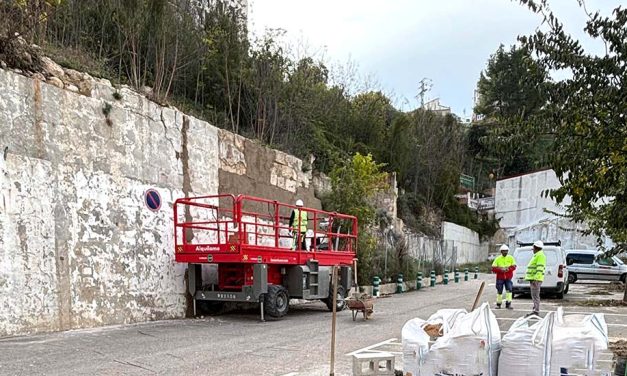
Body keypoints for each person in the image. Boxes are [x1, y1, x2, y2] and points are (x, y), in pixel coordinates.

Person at [491, 244, 516, 309]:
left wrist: (508, 269)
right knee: (499, 290)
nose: (505, 252)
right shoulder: (498, 259)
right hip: (500, 278)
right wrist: (500, 269)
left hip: (508, 278)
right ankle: (498, 304)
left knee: (509, 290)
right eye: (503, 251)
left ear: (508, 251)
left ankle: (508, 304)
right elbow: (493, 268)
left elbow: (514, 266)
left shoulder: (511, 258)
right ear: (501, 251)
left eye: (506, 251)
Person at [525, 240, 546, 317]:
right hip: (534, 279)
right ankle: (535, 309)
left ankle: (536, 311)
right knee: (534, 295)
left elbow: (539, 268)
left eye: (533, 248)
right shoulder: (538, 255)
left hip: (536, 279)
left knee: (535, 295)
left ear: (536, 248)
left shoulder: (540, 256)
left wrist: (536, 278)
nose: (532, 250)